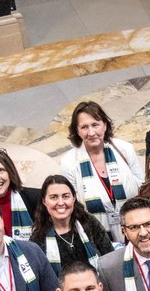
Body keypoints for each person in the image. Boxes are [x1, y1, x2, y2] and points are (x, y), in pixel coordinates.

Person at [59, 101, 143, 243]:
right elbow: (71, 203)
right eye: (84, 127)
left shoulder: (124, 149)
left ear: (104, 125)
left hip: (134, 229)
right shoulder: (69, 162)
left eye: (95, 125)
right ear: (77, 131)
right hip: (96, 235)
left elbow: (142, 186)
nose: (91, 133)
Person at [29, 174, 115, 276]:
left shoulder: (89, 222)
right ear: (44, 201)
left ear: (73, 198)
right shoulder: (37, 239)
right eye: (54, 197)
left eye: (66, 196)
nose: (61, 203)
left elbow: (110, 259)